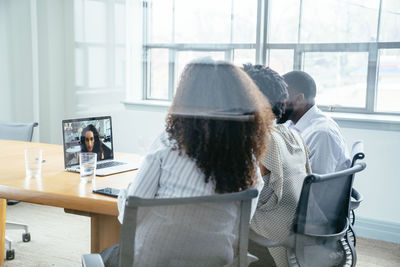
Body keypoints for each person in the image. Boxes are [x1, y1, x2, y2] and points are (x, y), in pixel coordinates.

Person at [101, 59, 275, 266]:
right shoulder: (250, 166)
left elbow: (132, 212)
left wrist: (124, 194)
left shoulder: (168, 144)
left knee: (107, 254)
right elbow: (240, 225)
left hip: (152, 258)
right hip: (216, 261)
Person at [243, 64, 311, 267]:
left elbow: (237, 195)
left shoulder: (258, 139)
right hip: (293, 234)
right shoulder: (292, 133)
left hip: (268, 240)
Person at [281, 70, 351, 174]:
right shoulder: (293, 125)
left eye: (282, 97)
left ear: (299, 99)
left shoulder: (320, 134)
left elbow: (315, 187)